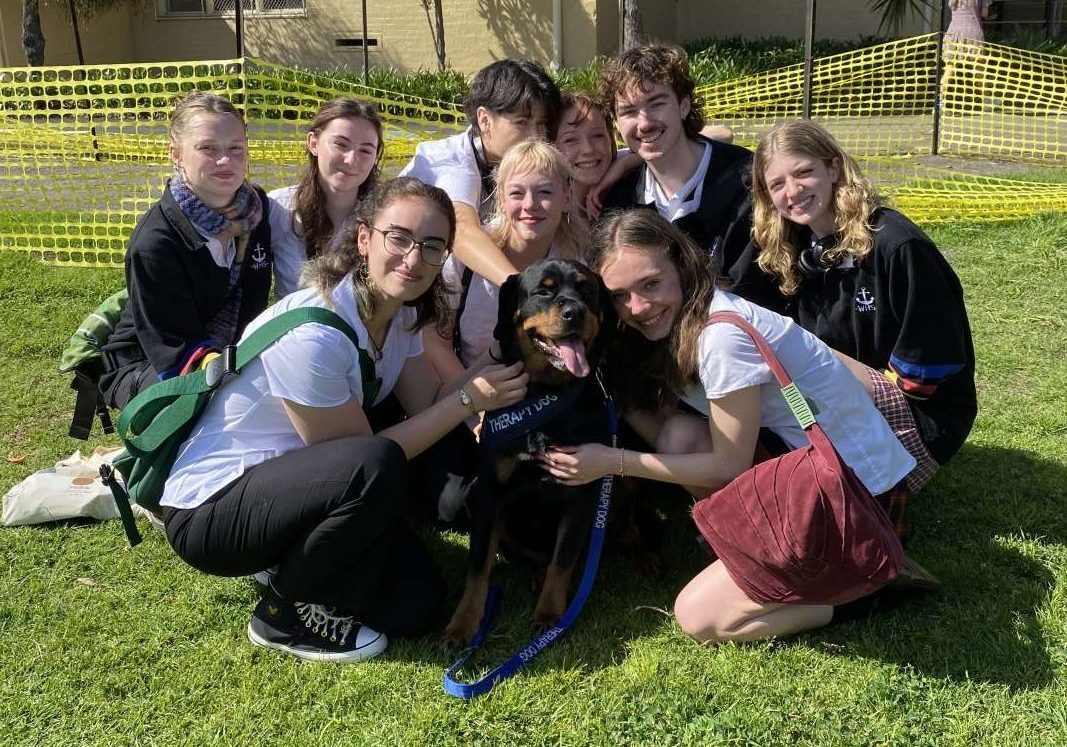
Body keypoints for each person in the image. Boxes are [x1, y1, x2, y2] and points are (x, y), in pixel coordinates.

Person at [159, 177, 529, 662]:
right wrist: (468, 403)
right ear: (363, 238)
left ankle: (286, 557)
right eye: (399, 237)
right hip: (212, 511)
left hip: (299, 488)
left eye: (432, 247)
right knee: (373, 463)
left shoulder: (400, 317)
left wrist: (495, 359)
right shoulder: (317, 330)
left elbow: (429, 402)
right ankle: (281, 617)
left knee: (417, 605)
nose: (413, 259)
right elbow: (363, 459)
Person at [540, 209, 918, 644]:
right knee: (680, 436)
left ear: (681, 264)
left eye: (650, 284)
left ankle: (863, 588)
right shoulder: (692, 316)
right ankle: (771, 557)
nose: (638, 308)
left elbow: (727, 467)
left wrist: (611, 462)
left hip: (859, 501)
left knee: (697, 617)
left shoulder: (721, 339)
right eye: (621, 296)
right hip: (822, 474)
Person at [750, 120, 976, 485]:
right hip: (843, 394)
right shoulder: (800, 248)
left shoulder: (896, 244)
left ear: (833, 168)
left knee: (789, 344)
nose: (792, 191)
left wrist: (841, 396)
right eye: (777, 184)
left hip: (920, 416)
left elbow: (926, 372)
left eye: (804, 172)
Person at [100, 91, 273, 409]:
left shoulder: (255, 208)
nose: (225, 160)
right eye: (208, 148)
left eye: (236, 148)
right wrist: (235, 372)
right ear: (176, 155)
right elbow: (173, 348)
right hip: (147, 364)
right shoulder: (155, 243)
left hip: (227, 349)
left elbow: (254, 306)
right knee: (239, 402)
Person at [424, 139, 587, 384]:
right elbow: (436, 342)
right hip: (472, 392)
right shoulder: (466, 260)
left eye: (544, 192)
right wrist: (470, 408)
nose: (530, 205)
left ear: (566, 197)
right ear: (500, 199)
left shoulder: (576, 260)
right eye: (516, 193)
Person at [400, 59, 562, 287]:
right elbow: (463, 232)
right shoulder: (451, 161)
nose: (535, 136)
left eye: (541, 124)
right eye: (522, 123)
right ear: (484, 120)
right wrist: (521, 290)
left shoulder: (512, 158)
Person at [597, 44, 752, 277]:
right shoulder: (620, 203)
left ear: (684, 105)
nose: (644, 123)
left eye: (656, 104)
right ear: (617, 125)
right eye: (628, 111)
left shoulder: (748, 183)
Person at [269, 97, 383, 298]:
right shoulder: (277, 208)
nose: (351, 159)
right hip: (294, 326)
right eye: (340, 144)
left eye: (365, 150)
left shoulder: (384, 214)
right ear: (313, 143)